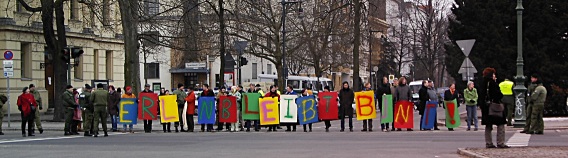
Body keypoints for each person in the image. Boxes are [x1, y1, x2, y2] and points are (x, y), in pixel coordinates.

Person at [479, 68, 508, 148]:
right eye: (493, 74)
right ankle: (500, 142)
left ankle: (488, 143)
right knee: (501, 124)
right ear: (491, 75)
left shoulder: (482, 83)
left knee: (488, 125)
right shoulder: (492, 83)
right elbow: (498, 95)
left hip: (486, 107)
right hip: (494, 107)